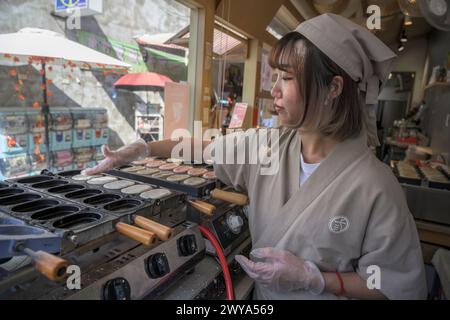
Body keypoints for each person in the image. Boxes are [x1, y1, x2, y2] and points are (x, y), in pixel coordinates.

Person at [84, 14, 427, 300]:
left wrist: (315, 279)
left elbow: (392, 285)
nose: (274, 89)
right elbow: (198, 148)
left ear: (334, 88)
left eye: (287, 78)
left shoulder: (376, 187)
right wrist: (141, 149)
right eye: (275, 76)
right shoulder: (269, 146)